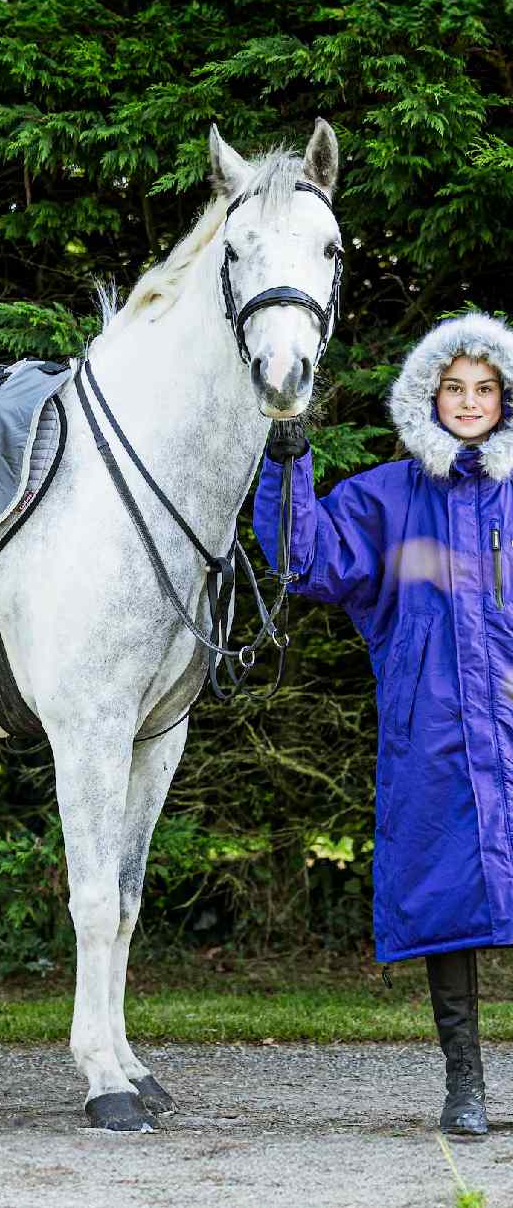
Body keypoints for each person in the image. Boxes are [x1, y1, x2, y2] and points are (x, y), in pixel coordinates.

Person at [253, 312, 513, 1137]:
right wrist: (289, 468)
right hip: (432, 735)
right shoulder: (388, 498)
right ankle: (464, 1086)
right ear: (427, 397)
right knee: (445, 900)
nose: (469, 401)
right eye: (453, 388)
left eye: (485, 388)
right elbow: (308, 560)